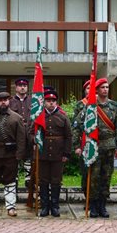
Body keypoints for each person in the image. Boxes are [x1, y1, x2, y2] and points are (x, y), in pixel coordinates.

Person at [73, 78, 117, 218]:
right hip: (93, 146)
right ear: (97, 89)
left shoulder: (114, 106)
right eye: (102, 87)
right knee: (93, 177)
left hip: (109, 147)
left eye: (107, 87)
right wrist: (77, 146)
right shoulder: (89, 106)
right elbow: (77, 125)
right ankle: (93, 205)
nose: (105, 89)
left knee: (106, 177)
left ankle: (102, 205)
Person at [37, 89, 72, 217]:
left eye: (53, 101)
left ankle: (55, 206)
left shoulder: (63, 117)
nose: (51, 103)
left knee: (56, 180)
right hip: (43, 154)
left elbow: (68, 136)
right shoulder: (39, 117)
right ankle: (45, 206)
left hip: (58, 154)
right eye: (48, 101)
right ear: (44, 102)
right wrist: (35, 144)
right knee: (43, 181)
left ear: (56, 102)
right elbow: (31, 133)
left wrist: (66, 153)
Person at [9, 77, 34, 208]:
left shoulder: (33, 101)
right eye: (20, 85)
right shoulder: (11, 102)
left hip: (30, 139)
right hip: (15, 139)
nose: (23, 87)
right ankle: (13, 198)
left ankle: (31, 196)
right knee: (15, 169)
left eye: (25, 85)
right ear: (16, 87)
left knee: (30, 169)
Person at [72, 80, 92, 197]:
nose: (90, 90)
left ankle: (99, 200)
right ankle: (87, 198)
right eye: (88, 88)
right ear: (85, 90)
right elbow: (75, 126)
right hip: (84, 142)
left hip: (99, 143)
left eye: (92, 88)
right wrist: (77, 146)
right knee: (86, 173)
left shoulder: (101, 104)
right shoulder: (80, 105)